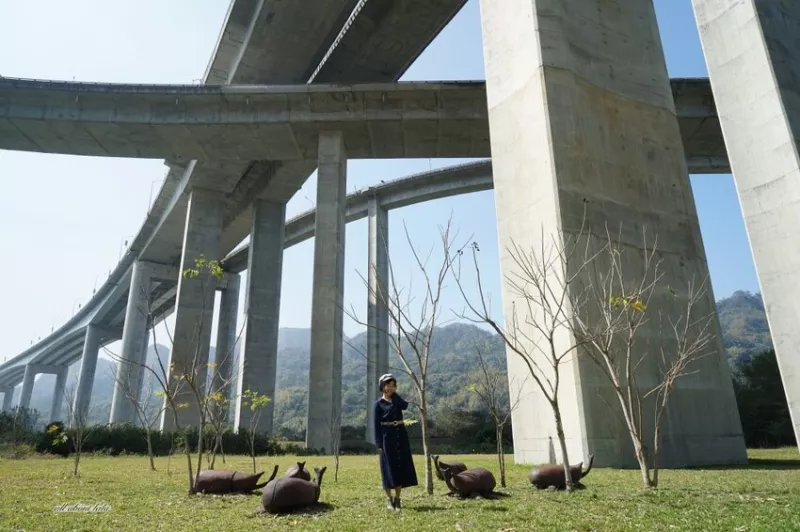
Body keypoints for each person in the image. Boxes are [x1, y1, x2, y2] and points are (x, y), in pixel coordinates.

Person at [373, 373, 418, 510]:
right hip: (387, 436)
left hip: (400, 435)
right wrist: (379, 444)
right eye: (388, 385)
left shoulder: (397, 400)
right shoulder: (378, 404)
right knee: (387, 468)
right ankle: (389, 499)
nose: (391, 387)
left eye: (393, 385)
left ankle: (398, 499)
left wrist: (396, 396)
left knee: (399, 467)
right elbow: (376, 426)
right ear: (382, 386)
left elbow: (405, 406)